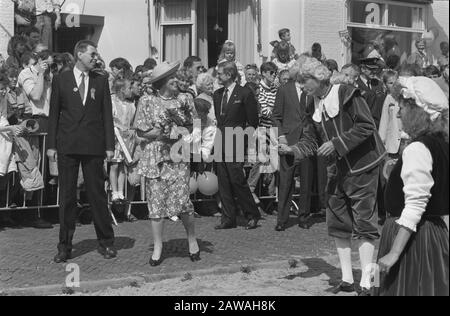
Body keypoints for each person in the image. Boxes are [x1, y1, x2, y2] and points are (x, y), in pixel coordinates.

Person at [289, 57, 386, 296]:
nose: (302, 87)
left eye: (304, 81)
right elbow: (311, 139)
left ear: (318, 77)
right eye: (299, 82)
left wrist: (336, 144)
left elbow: (367, 126)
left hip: (363, 166)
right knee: (338, 223)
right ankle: (346, 279)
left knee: (364, 224)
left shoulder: (346, 92)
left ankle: (366, 280)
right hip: (336, 170)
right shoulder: (312, 103)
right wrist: (293, 151)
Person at [376, 76, 449, 296]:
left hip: (414, 241)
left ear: (417, 111)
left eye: (402, 108)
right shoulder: (441, 145)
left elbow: (416, 205)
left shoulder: (418, 148)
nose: (398, 114)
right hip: (432, 234)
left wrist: (395, 252)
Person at [47, 40, 116, 263]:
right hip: (68, 145)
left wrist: (109, 147)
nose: (96, 57)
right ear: (79, 54)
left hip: (94, 146)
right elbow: (54, 114)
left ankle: (106, 242)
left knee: (97, 196)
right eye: (92, 54)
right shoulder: (61, 79)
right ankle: (64, 247)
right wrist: (51, 146)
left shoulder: (101, 80)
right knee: (67, 198)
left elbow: (107, 115)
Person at [133, 61, 200, 266]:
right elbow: (140, 130)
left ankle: (192, 239)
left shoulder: (185, 99)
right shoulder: (147, 101)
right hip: (156, 157)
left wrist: (185, 135)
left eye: (176, 76)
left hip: (178, 155)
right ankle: (158, 246)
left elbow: (195, 125)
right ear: (161, 82)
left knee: (183, 201)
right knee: (156, 204)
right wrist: (161, 132)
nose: (175, 80)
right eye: (171, 77)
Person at [213, 61, 261, 230]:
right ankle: (228, 218)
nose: (217, 76)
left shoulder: (244, 93)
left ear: (229, 74)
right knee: (223, 180)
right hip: (220, 141)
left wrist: (243, 139)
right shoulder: (217, 94)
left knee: (237, 179)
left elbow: (253, 120)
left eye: (220, 73)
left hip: (237, 140)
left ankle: (252, 213)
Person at [272, 60, 317, 231]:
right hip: (288, 140)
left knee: (306, 181)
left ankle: (303, 216)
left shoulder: (312, 90)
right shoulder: (284, 89)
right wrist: (281, 135)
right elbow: (276, 116)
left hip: (307, 141)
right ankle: (282, 219)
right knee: (285, 182)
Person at [248, 62, 278, 207]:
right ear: (264, 73)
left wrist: (273, 109)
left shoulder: (275, 89)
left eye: (275, 73)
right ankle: (251, 187)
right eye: (271, 73)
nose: (274, 76)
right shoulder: (259, 89)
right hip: (261, 129)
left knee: (275, 161)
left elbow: (275, 109)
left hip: (274, 129)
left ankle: (270, 197)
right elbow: (266, 111)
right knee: (262, 157)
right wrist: (274, 109)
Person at [109, 78, 136, 206]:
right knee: (114, 165)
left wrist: (131, 130)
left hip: (126, 140)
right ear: (122, 90)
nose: (131, 90)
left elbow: (133, 122)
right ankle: (114, 191)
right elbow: (110, 118)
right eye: (129, 88)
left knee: (122, 167)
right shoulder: (112, 101)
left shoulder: (131, 105)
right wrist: (117, 128)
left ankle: (120, 191)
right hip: (115, 138)